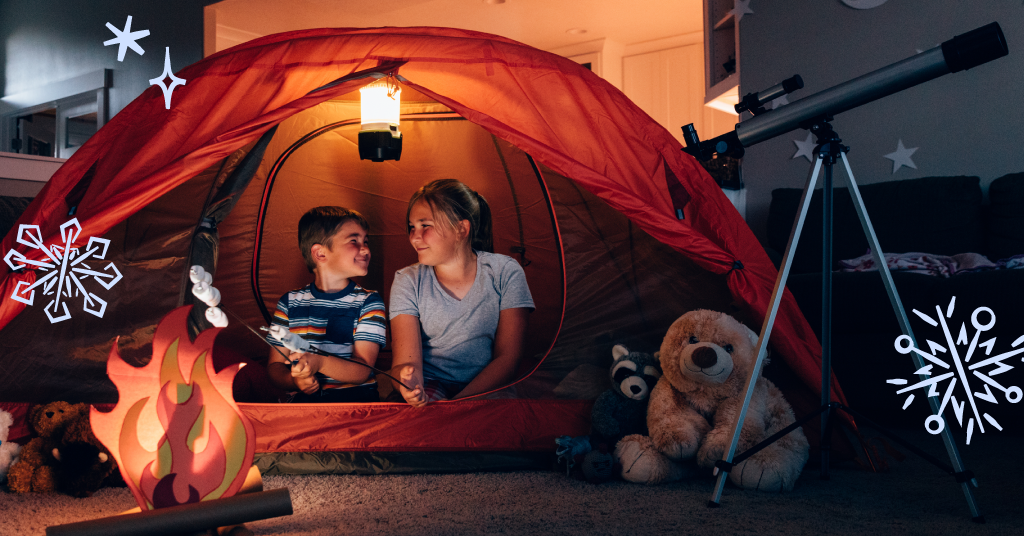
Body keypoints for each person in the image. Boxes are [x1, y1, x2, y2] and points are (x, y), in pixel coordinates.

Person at [389, 179, 535, 406]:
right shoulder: (407, 280)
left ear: (461, 229)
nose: (414, 237)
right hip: (432, 383)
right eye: (412, 227)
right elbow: (406, 363)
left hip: (489, 382)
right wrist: (409, 384)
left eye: (425, 225)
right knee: (423, 425)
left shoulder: (505, 271)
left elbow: (508, 358)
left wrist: (458, 404)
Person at [265, 206, 386, 403]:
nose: (365, 249)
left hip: (355, 403)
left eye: (366, 241)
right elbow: (274, 367)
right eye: (354, 241)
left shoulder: (369, 302)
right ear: (320, 254)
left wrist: (319, 362)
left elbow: (363, 370)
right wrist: (295, 381)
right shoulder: (289, 303)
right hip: (303, 405)